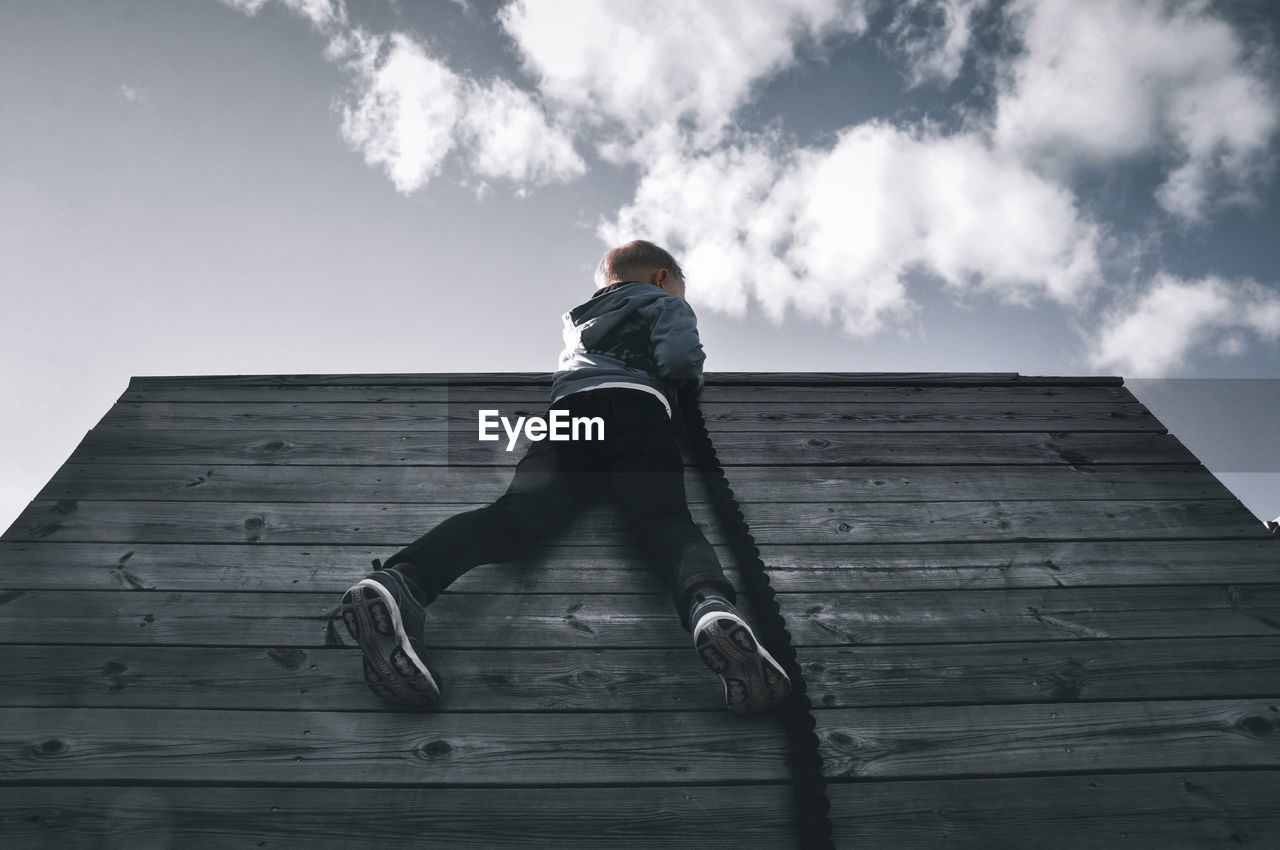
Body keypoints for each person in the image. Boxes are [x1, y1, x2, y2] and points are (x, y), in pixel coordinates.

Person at [339, 240, 791, 715]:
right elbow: (679, 361)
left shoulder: (580, 321)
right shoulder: (662, 302)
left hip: (569, 417)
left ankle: (403, 581)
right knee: (661, 520)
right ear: (662, 278)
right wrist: (690, 379)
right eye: (679, 288)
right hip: (636, 412)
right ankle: (708, 606)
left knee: (516, 517)